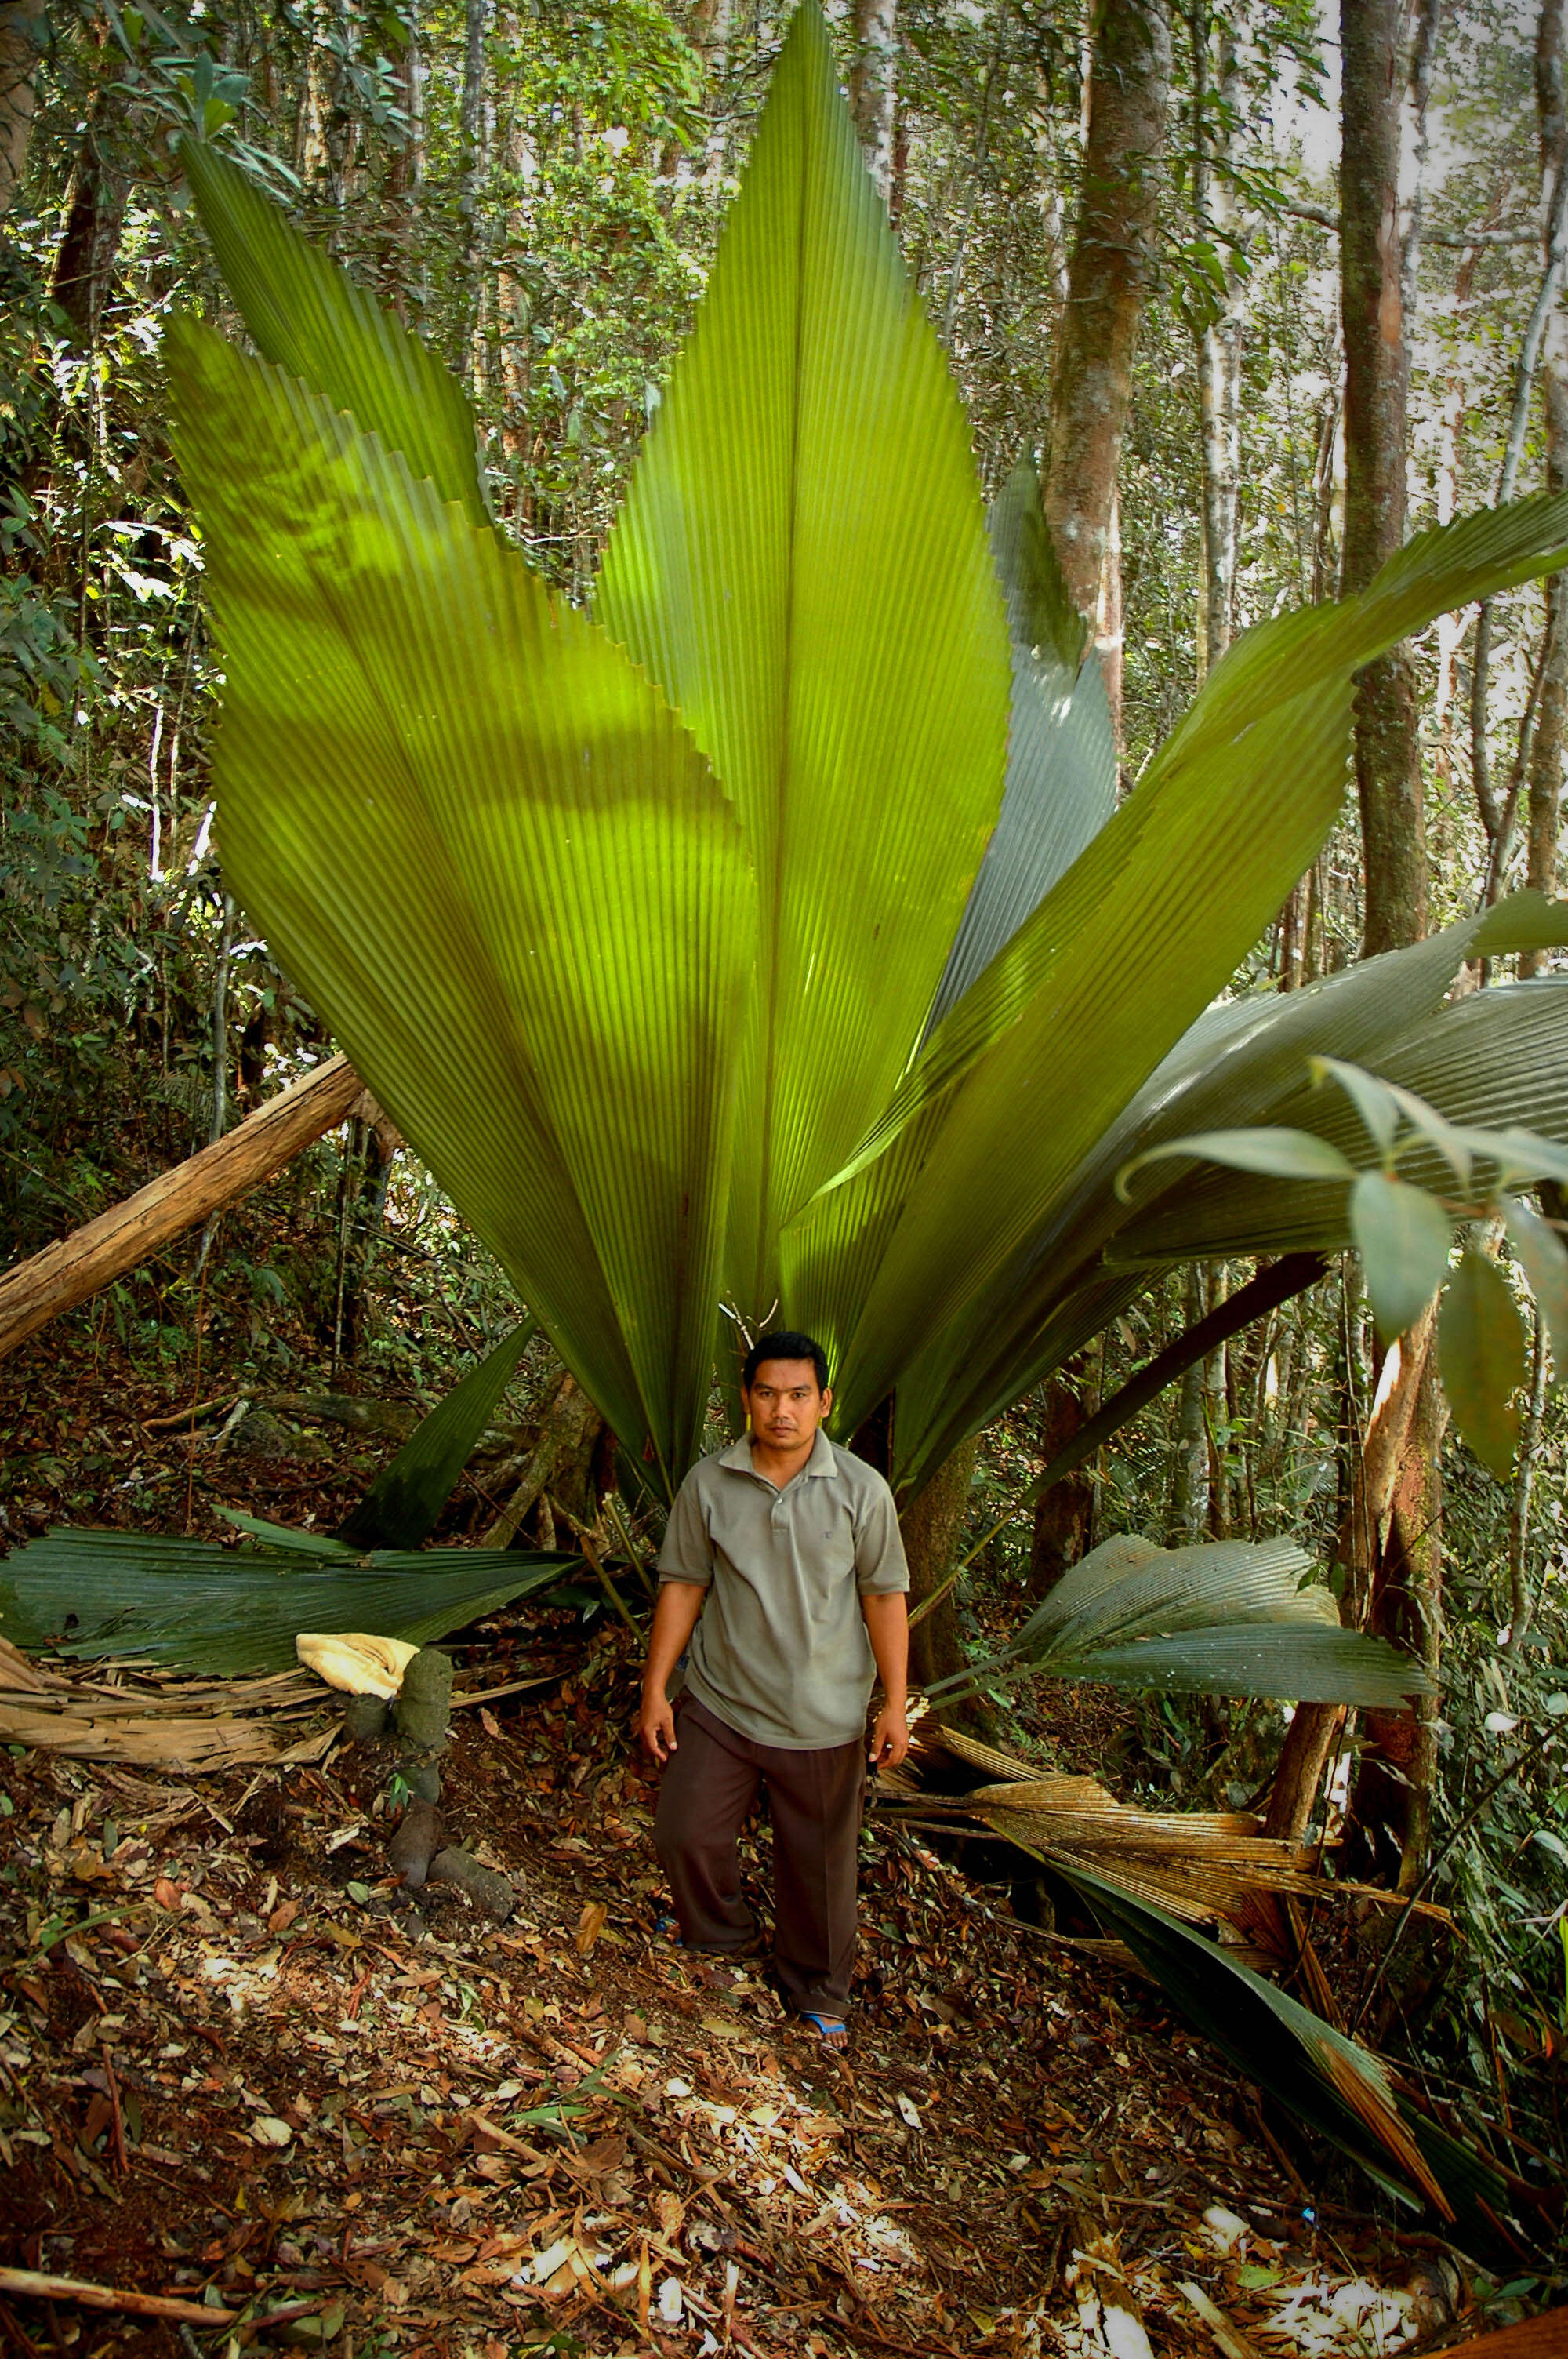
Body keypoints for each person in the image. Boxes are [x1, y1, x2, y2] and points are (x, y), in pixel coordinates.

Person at [637, 1329, 910, 2048]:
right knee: (685, 1832)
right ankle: (718, 1935)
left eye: (797, 1396)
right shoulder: (710, 1482)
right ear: (747, 1400)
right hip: (724, 1702)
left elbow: (885, 1596)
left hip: (823, 1717)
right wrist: (657, 1688)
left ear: (824, 1402)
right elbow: (684, 1584)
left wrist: (894, 1703)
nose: (781, 1410)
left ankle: (819, 1988)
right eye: (767, 1394)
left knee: (820, 1873)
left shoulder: (861, 1490)